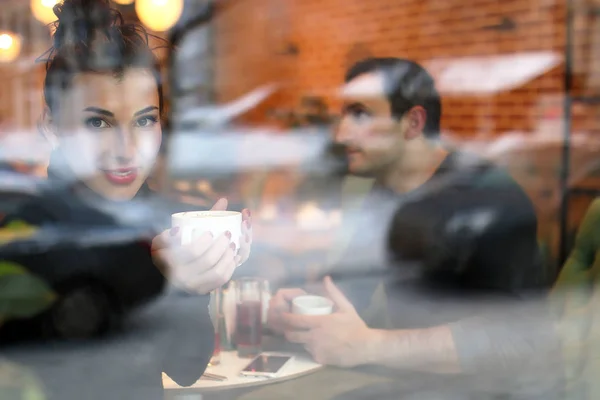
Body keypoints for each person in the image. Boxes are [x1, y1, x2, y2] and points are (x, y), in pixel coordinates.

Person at [267, 58, 562, 398]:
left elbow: (520, 339)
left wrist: (370, 346)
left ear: (413, 122)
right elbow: (350, 296)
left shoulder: (488, 198)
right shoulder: (380, 193)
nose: (341, 133)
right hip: (411, 385)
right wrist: (301, 311)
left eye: (360, 114)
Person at [0, 1, 251, 399]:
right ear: (51, 126)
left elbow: (186, 369)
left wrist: (188, 288)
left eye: (144, 120)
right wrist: (159, 283)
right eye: (98, 122)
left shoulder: (158, 220)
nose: (127, 149)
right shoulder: (24, 230)